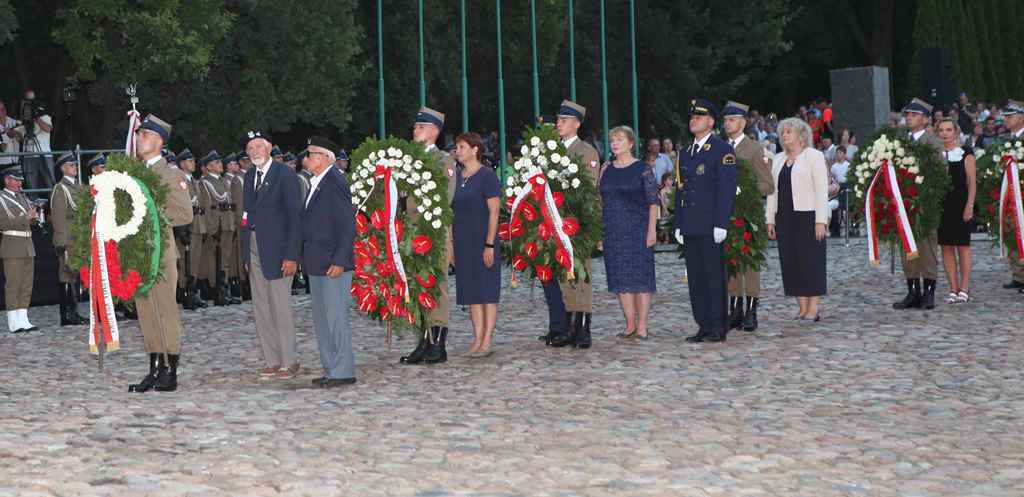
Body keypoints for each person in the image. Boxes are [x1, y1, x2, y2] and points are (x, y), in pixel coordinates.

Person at [128, 115, 194, 392]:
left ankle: (171, 370)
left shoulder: (172, 175)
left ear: (158, 140)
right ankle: (154, 368)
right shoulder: (134, 174)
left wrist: (149, 216)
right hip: (138, 253)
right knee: (146, 312)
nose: (138, 139)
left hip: (161, 252)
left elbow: (184, 214)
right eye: (139, 134)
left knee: (165, 311)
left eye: (143, 135)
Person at [673, 99, 738, 343]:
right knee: (696, 278)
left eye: (699, 117)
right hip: (690, 224)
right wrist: (678, 223)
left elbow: (726, 189)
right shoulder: (685, 152)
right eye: (692, 117)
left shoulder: (722, 150)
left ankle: (718, 325)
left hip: (711, 224)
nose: (693, 120)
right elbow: (681, 190)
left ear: (711, 122)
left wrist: (721, 222)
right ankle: (703, 323)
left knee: (713, 276)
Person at [241, 129, 303, 379]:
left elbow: (295, 217)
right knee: (261, 306)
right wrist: (246, 253)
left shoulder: (284, 175)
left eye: (258, 146)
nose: (254, 152)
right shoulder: (249, 177)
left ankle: (289, 360)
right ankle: (272, 359)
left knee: (280, 306)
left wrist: (292, 255)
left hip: (278, 249)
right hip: (255, 245)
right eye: (250, 149)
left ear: (269, 148)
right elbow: (246, 216)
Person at [399, 107, 458, 364]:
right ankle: (423, 340)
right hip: (411, 232)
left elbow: (443, 198)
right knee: (415, 285)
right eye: (415, 127)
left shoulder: (444, 161)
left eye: (421, 127)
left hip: (433, 232)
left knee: (435, 286)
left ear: (434, 131)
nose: (415, 131)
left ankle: (438, 342)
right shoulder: (407, 159)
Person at [301, 136, 357, 388]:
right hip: (317, 261)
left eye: (312, 153)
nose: (308, 157)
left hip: (332, 263)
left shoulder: (334, 181)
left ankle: (343, 370)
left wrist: (340, 260)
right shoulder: (317, 182)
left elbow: (347, 225)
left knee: (335, 318)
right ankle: (331, 368)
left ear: (325, 158)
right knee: (323, 319)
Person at [547, 100, 601, 348]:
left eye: (564, 120)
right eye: (558, 120)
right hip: (555, 222)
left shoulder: (586, 151)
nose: (559, 124)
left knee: (580, 274)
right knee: (563, 274)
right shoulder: (552, 151)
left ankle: (583, 328)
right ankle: (570, 326)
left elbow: (587, 188)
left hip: (577, 221)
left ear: (577, 124)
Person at [766, 118, 829, 321]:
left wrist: (821, 220)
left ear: (801, 135)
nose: (784, 135)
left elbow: (821, 190)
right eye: (782, 132)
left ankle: (813, 308)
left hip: (808, 215)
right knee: (791, 261)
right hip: (784, 217)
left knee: (811, 261)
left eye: (789, 132)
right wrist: (770, 220)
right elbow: (771, 193)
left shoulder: (814, 156)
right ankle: (802, 307)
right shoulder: (777, 159)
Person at [600, 126, 659, 339]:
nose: (615, 143)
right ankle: (630, 323)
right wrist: (600, 232)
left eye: (619, 140)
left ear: (631, 144)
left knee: (641, 278)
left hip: (638, 229)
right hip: (613, 230)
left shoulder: (642, 168)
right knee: (620, 278)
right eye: (612, 140)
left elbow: (653, 201)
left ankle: (642, 324)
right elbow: (601, 201)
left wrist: (652, 230)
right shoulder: (606, 168)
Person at [721, 101, 775, 332]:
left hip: (748, 213)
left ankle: (751, 310)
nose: (727, 123)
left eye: (732, 120)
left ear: (742, 123)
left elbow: (768, 185)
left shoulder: (754, 149)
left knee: (749, 264)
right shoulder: (720, 147)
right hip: (726, 214)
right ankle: (735, 310)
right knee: (731, 262)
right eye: (725, 120)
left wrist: (745, 189)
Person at [451, 132, 501, 357]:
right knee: (471, 291)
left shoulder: (487, 176)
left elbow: (494, 211)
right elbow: (451, 212)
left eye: (462, 147)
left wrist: (489, 244)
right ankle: (477, 338)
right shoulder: (458, 176)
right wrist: (452, 244)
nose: (458, 151)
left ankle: (487, 340)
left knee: (486, 291)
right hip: (463, 242)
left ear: (474, 150)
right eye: (457, 147)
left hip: (482, 239)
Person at [893, 98, 944, 310]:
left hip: (925, 203)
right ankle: (913, 291)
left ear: (924, 119)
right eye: (908, 115)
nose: (909, 118)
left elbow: (940, 173)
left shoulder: (933, 142)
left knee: (926, 248)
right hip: (904, 203)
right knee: (908, 248)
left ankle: (929, 292)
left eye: (914, 115)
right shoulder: (901, 141)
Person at [935, 118, 976, 304]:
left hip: (961, 204)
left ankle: (965, 287)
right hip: (942, 206)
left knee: (963, 246)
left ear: (956, 131)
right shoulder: (936, 155)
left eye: (948, 129)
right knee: (946, 246)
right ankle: (953, 287)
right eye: (941, 130)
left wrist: (970, 205)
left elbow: (972, 182)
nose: (945, 133)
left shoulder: (966, 152)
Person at [49, 153, 87, 326]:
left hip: (78, 237)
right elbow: (58, 217)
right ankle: (67, 315)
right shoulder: (60, 189)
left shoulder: (78, 187)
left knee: (75, 274)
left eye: (75, 165)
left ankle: (74, 312)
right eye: (71, 165)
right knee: (66, 274)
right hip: (68, 238)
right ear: (63, 168)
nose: (75, 168)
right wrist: (61, 242)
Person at [0, 167, 38, 333]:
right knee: (13, 285)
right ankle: (13, 321)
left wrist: (32, 218)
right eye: (16, 180)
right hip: (12, 244)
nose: (19, 183)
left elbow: (26, 221)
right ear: (7, 180)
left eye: (20, 180)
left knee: (26, 285)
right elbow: (3, 224)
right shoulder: (2, 199)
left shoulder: (22, 197)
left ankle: (23, 318)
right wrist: (25, 217)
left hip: (27, 244)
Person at [199, 151, 239, 306]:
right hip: (217, 226)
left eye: (219, 162)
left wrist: (233, 224)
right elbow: (207, 207)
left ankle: (225, 289)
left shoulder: (223, 181)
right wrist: (211, 228)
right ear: (209, 167)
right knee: (216, 260)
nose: (220, 165)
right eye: (216, 163)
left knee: (226, 260)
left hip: (228, 223)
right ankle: (218, 292)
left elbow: (229, 203)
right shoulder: (206, 183)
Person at [175, 149, 206, 310]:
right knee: (185, 262)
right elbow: (179, 205)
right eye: (189, 161)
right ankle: (185, 293)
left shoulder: (194, 181)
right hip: (187, 226)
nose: (193, 163)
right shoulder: (180, 181)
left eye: (193, 160)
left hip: (198, 225)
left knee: (195, 262)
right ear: (181, 164)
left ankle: (193, 292)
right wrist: (181, 229)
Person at [999, 100, 1024, 292]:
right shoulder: (1006, 139)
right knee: (1012, 233)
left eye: (1010, 116)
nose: (1006, 119)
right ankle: (1018, 274)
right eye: (1005, 116)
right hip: (1009, 193)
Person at [13, 90, 54, 190]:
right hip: (28, 156)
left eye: (30, 102)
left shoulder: (45, 116)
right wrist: (17, 129)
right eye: (26, 102)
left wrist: (36, 117)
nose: (28, 105)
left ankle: (55, 203)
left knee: (50, 184)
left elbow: (48, 129)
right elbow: (18, 137)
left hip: (44, 154)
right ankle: (33, 204)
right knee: (31, 186)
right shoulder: (22, 121)